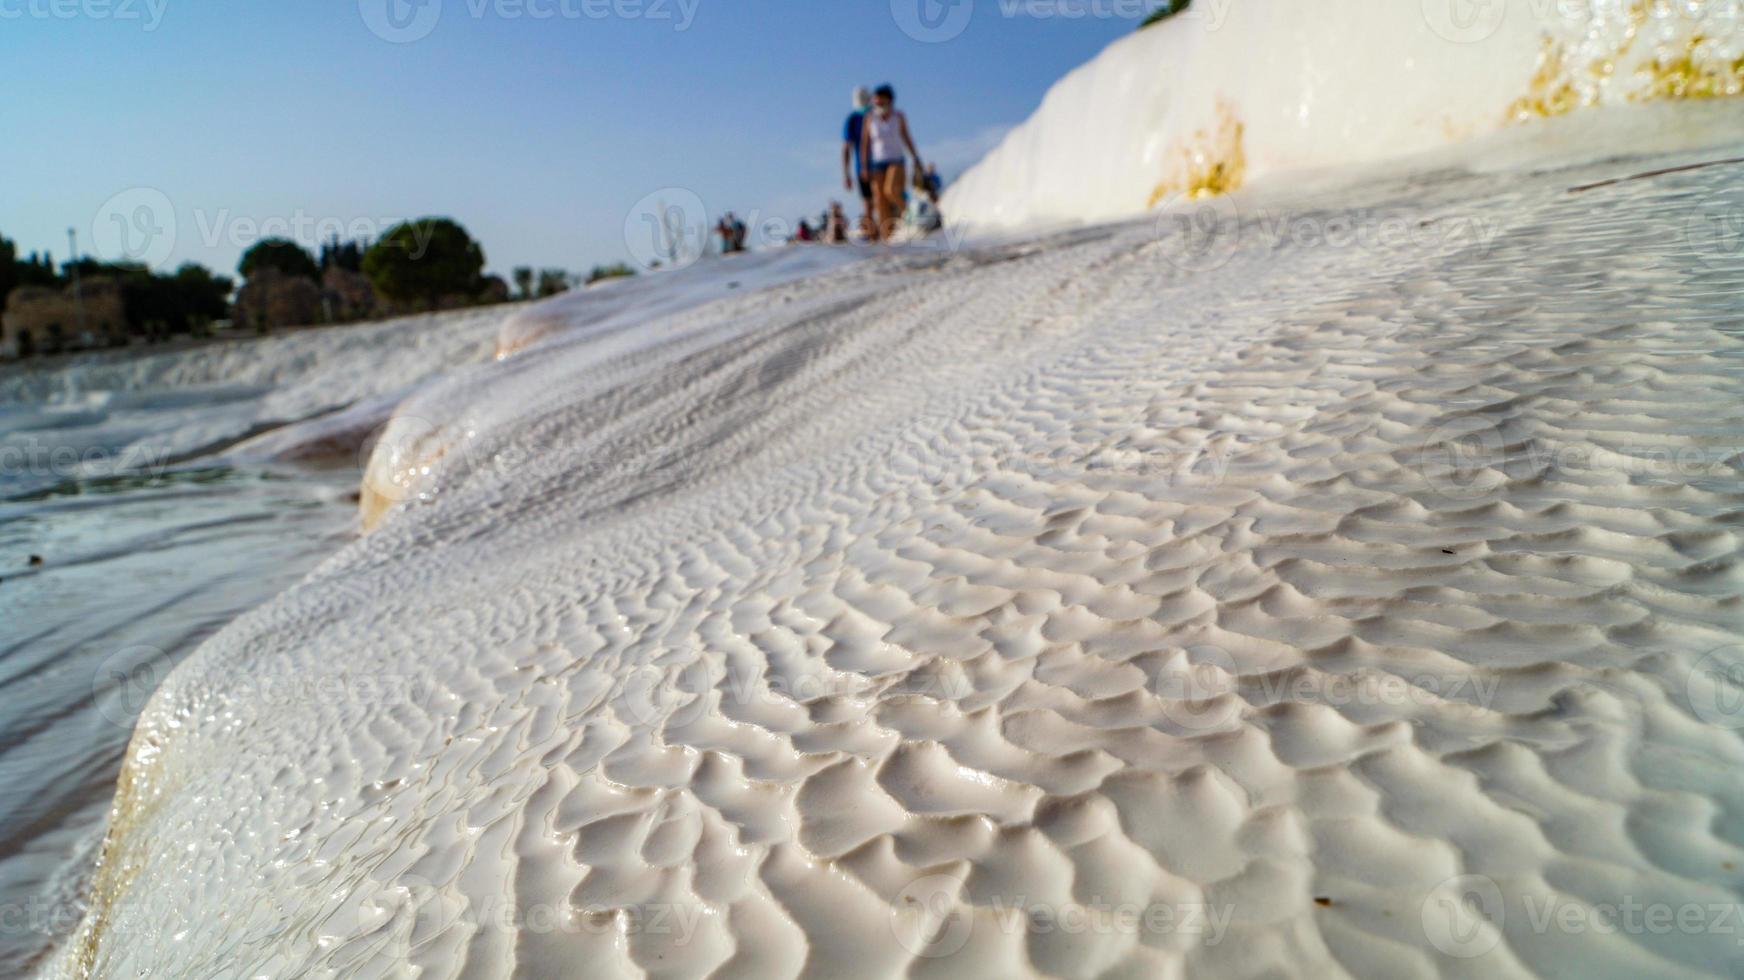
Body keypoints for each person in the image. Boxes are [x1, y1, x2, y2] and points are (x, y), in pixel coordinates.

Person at [860, 84, 924, 243]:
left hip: (896, 160)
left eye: (881, 100)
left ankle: (912, 216)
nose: (878, 103)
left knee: (891, 190)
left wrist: (916, 157)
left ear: (889, 99)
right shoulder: (870, 118)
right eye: (876, 101)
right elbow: (864, 144)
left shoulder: (898, 116)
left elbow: (907, 137)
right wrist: (864, 166)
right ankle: (887, 239)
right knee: (880, 202)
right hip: (877, 163)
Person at [841, 87, 873, 232]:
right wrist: (846, 174)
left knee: (870, 203)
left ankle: (876, 236)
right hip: (865, 167)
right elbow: (846, 148)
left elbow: (846, 148)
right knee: (869, 203)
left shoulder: (856, 118)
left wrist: (846, 174)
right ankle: (873, 236)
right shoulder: (853, 119)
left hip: (875, 166)